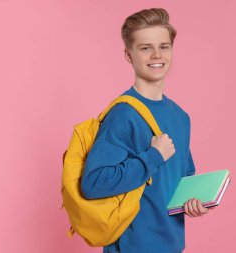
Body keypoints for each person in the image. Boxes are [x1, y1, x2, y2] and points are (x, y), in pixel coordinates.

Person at [81, 8, 213, 253]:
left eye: (164, 46)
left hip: (172, 246)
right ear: (128, 55)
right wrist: (153, 156)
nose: (156, 55)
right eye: (145, 48)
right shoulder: (124, 114)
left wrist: (194, 202)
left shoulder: (181, 117)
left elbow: (181, 179)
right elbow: (94, 183)